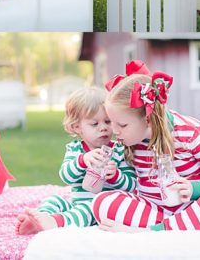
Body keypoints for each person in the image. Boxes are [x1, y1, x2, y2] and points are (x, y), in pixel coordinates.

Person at [92, 61, 200, 231]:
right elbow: (128, 186)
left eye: (122, 125)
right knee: (101, 202)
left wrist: (195, 188)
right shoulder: (127, 142)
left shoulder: (193, 134)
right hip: (154, 211)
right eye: (111, 122)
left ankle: (153, 231)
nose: (114, 131)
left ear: (147, 120)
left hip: (195, 208)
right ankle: (188, 227)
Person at [15, 87, 136, 234]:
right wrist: (82, 161)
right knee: (55, 200)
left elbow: (132, 184)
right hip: (77, 201)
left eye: (107, 121)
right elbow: (66, 176)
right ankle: (40, 219)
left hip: (102, 208)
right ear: (77, 127)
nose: (103, 128)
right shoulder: (76, 150)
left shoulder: (118, 150)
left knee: (86, 210)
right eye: (94, 124)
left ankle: (55, 222)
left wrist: (117, 176)